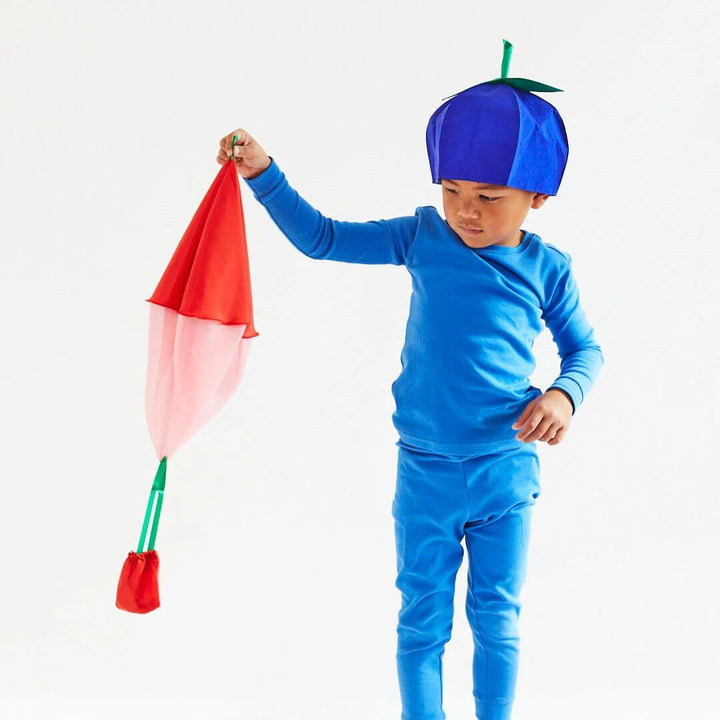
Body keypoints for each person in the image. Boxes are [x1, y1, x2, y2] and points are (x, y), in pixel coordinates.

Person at [217, 40, 604, 720]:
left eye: (488, 196)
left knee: (497, 617)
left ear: (538, 196)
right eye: (452, 190)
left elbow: (586, 350)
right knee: (421, 622)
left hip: (505, 470)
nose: (466, 211)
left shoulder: (551, 268)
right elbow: (323, 238)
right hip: (423, 470)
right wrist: (263, 173)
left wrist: (563, 395)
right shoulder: (422, 236)